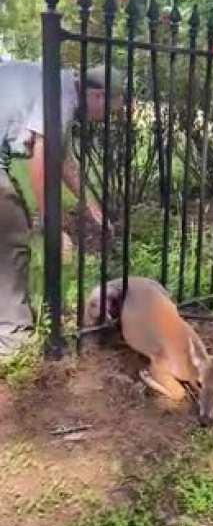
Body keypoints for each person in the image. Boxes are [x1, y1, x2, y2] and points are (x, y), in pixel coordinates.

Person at [0, 61, 123, 357]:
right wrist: (52, 226)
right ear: (97, 96)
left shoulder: (59, 85)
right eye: (108, 110)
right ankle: (11, 338)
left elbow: (62, 159)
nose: (104, 119)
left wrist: (91, 206)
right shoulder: (61, 96)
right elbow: (40, 162)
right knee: (13, 231)